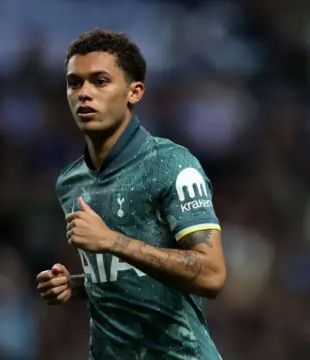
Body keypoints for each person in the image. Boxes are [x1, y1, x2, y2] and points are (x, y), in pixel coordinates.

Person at [36, 28, 226, 360]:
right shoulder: (71, 181)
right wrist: (77, 285)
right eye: (74, 82)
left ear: (134, 92)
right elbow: (126, 276)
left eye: (100, 81)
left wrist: (112, 241)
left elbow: (211, 273)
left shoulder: (172, 165)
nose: (84, 93)